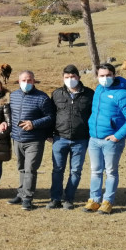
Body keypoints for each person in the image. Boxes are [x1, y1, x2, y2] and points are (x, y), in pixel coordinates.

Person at [83, 63, 126, 214]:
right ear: (97, 77)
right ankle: (94, 200)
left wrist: (117, 136)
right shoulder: (99, 90)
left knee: (110, 171)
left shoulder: (123, 94)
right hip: (94, 139)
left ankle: (108, 201)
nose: (105, 78)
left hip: (111, 142)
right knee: (95, 171)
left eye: (108, 75)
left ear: (114, 75)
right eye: (102, 76)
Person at [47, 65, 94, 210]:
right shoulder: (56, 94)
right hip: (60, 138)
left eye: (73, 77)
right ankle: (55, 198)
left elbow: (94, 115)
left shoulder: (89, 94)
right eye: (67, 77)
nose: (70, 80)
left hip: (81, 139)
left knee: (75, 170)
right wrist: (49, 133)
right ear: (63, 78)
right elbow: (51, 115)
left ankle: (69, 198)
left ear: (79, 77)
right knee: (57, 169)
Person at [7, 70, 54, 210]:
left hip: (34, 140)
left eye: (29, 80)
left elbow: (51, 117)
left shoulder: (42, 98)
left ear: (34, 81)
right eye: (23, 80)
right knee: (21, 168)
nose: (26, 83)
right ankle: (21, 194)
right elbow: (9, 114)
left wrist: (34, 124)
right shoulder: (13, 96)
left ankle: (27, 198)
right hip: (17, 138)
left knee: (30, 169)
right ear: (18, 81)